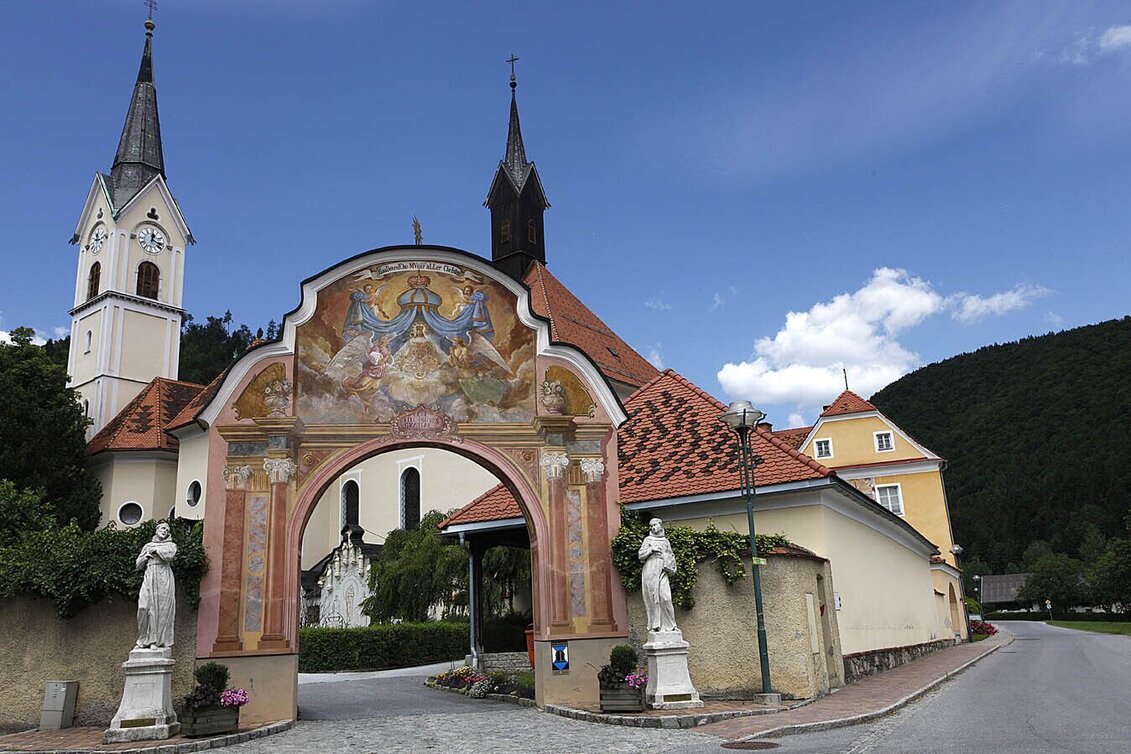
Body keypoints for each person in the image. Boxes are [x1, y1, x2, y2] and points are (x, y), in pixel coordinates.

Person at [136, 522, 177, 648]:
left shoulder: (171, 545)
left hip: (163, 576)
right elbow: (138, 565)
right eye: (163, 528)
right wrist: (145, 557)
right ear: (157, 530)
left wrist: (157, 550)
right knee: (143, 607)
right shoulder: (148, 546)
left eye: (167, 530)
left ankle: (155, 641)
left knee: (160, 609)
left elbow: (169, 556)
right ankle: (143, 638)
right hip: (149, 575)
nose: (164, 531)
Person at [638, 517, 678, 632]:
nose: (653, 528)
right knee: (653, 597)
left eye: (655, 525)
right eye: (651, 526)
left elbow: (671, 555)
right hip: (651, 569)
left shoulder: (666, 541)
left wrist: (668, 561)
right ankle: (656, 625)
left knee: (666, 597)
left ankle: (671, 626)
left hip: (663, 569)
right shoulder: (648, 539)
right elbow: (641, 555)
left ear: (661, 525)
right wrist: (651, 550)